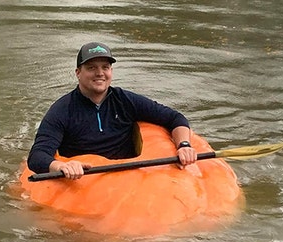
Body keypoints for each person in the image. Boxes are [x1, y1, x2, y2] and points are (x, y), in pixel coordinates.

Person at [27, 42, 198, 179]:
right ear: (78, 73)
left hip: (128, 176)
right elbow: (37, 156)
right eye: (91, 67)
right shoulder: (62, 110)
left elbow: (175, 118)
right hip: (85, 180)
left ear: (111, 71)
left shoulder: (125, 100)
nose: (100, 73)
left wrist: (184, 145)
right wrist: (62, 166)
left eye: (105, 67)